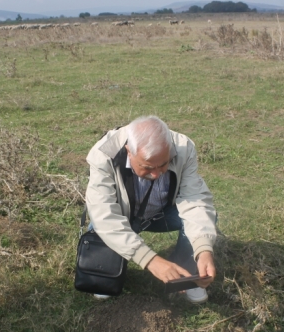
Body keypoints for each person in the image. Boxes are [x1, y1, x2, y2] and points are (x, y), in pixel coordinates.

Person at [85, 115, 218, 303]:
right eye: (147, 167)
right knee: (102, 284)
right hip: (121, 214)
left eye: (163, 164)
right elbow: (104, 215)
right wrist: (150, 260)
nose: (156, 174)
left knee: (203, 220)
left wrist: (203, 249)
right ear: (129, 152)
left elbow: (194, 201)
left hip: (162, 212)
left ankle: (186, 277)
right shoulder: (104, 154)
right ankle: (110, 271)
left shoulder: (183, 148)